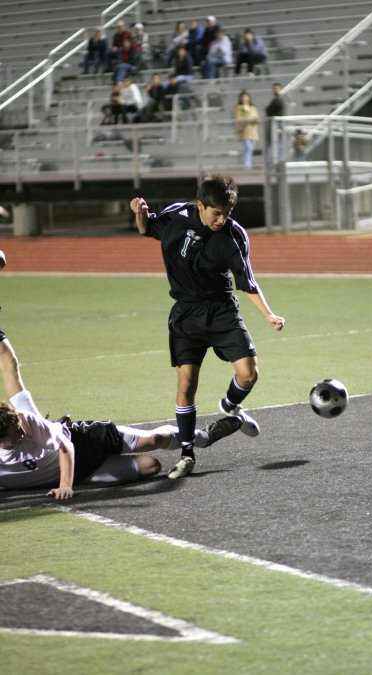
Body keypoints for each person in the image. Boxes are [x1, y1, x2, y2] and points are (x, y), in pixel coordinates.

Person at [130, 174, 285, 479]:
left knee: (248, 373)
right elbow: (146, 228)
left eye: (226, 214)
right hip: (186, 314)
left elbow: (247, 282)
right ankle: (187, 453)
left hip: (221, 310)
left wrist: (268, 314)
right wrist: (139, 212)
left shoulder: (234, 235)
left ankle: (229, 407)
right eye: (216, 213)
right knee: (186, 384)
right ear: (200, 205)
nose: (221, 220)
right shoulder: (177, 216)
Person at [0, 329, 242, 496]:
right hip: (84, 473)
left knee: (154, 440)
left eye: (19, 426)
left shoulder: (27, 420)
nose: (21, 430)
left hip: (84, 442)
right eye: (15, 433)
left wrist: (65, 485)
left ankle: (204, 437)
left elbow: (8, 364)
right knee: (152, 466)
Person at [234, 91, 260, 169]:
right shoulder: (239, 107)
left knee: (250, 149)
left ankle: (249, 164)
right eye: (243, 97)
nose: (245, 98)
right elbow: (238, 119)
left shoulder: (253, 107)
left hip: (253, 131)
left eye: (246, 97)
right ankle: (247, 165)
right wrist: (249, 119)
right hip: (245, 131)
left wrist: (254, 120)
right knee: (248, 148)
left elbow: (257, 118)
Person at [265, 82, 286, 163]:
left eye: (276, 89)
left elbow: (269, 110)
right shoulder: (275, 99)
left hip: (277, 123)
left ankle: (275, 160)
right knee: (273, 143)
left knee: (277, 142)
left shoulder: (279, 99)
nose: (274, 90)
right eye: (274, 89)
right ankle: (273, 160)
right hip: (275, 123)